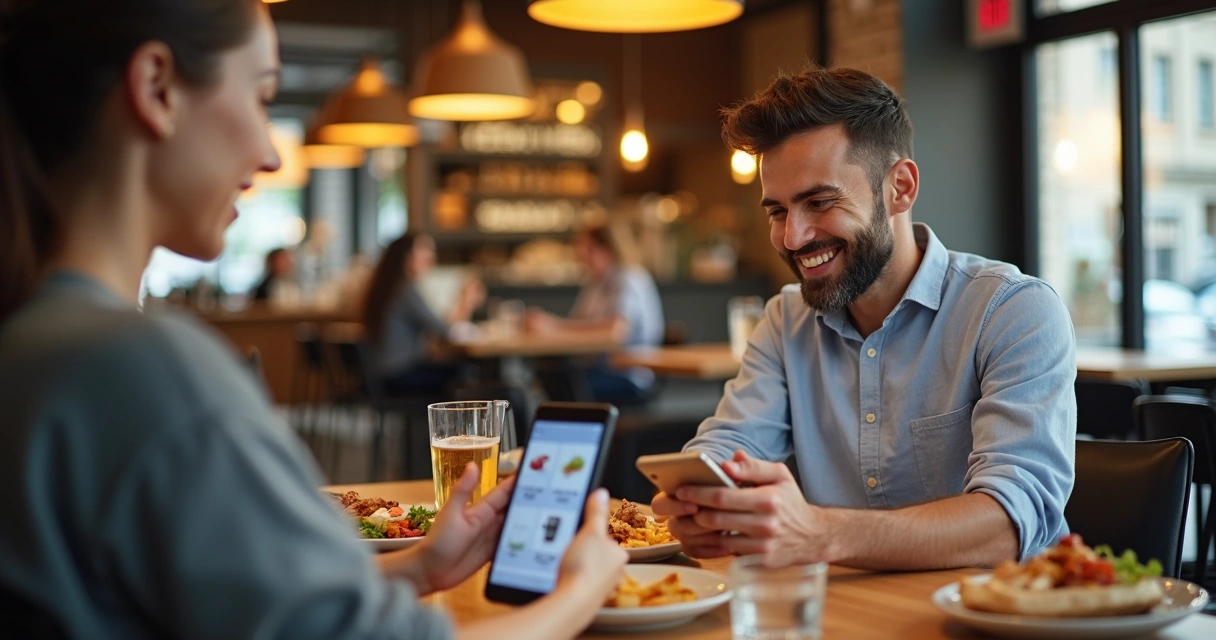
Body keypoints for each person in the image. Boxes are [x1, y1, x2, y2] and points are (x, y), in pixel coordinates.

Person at [0, 2, 626, 638]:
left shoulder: (35, 345)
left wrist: (414, 568)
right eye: (262, 96)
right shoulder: (144, 369)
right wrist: (583, 588)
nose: (271, 154)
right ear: (156, 87)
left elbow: (213, 604)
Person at [652, 68, 1076, 571]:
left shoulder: (1012, 311)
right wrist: (699, 499)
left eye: (819, 202)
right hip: (850, 612)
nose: (793, 237)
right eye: (778, 212)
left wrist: (821, 535)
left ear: (899, 187)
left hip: (1000, 615)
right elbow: (731, 444)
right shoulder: (784, 322)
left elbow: (1010, 521)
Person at [525, 224, 665, 403]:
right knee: (548, 373)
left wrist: (553, 326)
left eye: (589, 248)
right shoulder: (595, 282)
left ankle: (582, 429)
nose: (581, 255)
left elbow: (615, 331)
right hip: (596, 368)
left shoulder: (629, 279)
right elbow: (578, 323)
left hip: (628, 376)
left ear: (609, 249)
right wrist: (550, 324)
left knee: (563, 382)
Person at [362, 232, 485, 395]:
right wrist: (466, 302)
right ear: (407, 256)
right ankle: (461, 420)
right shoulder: (405, 290)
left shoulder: (390, 286)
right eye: (425, 251)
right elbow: (444, 330)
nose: (431, 256)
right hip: (399, 375)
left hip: (384, 373)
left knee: (459, 368)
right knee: (466, 371)